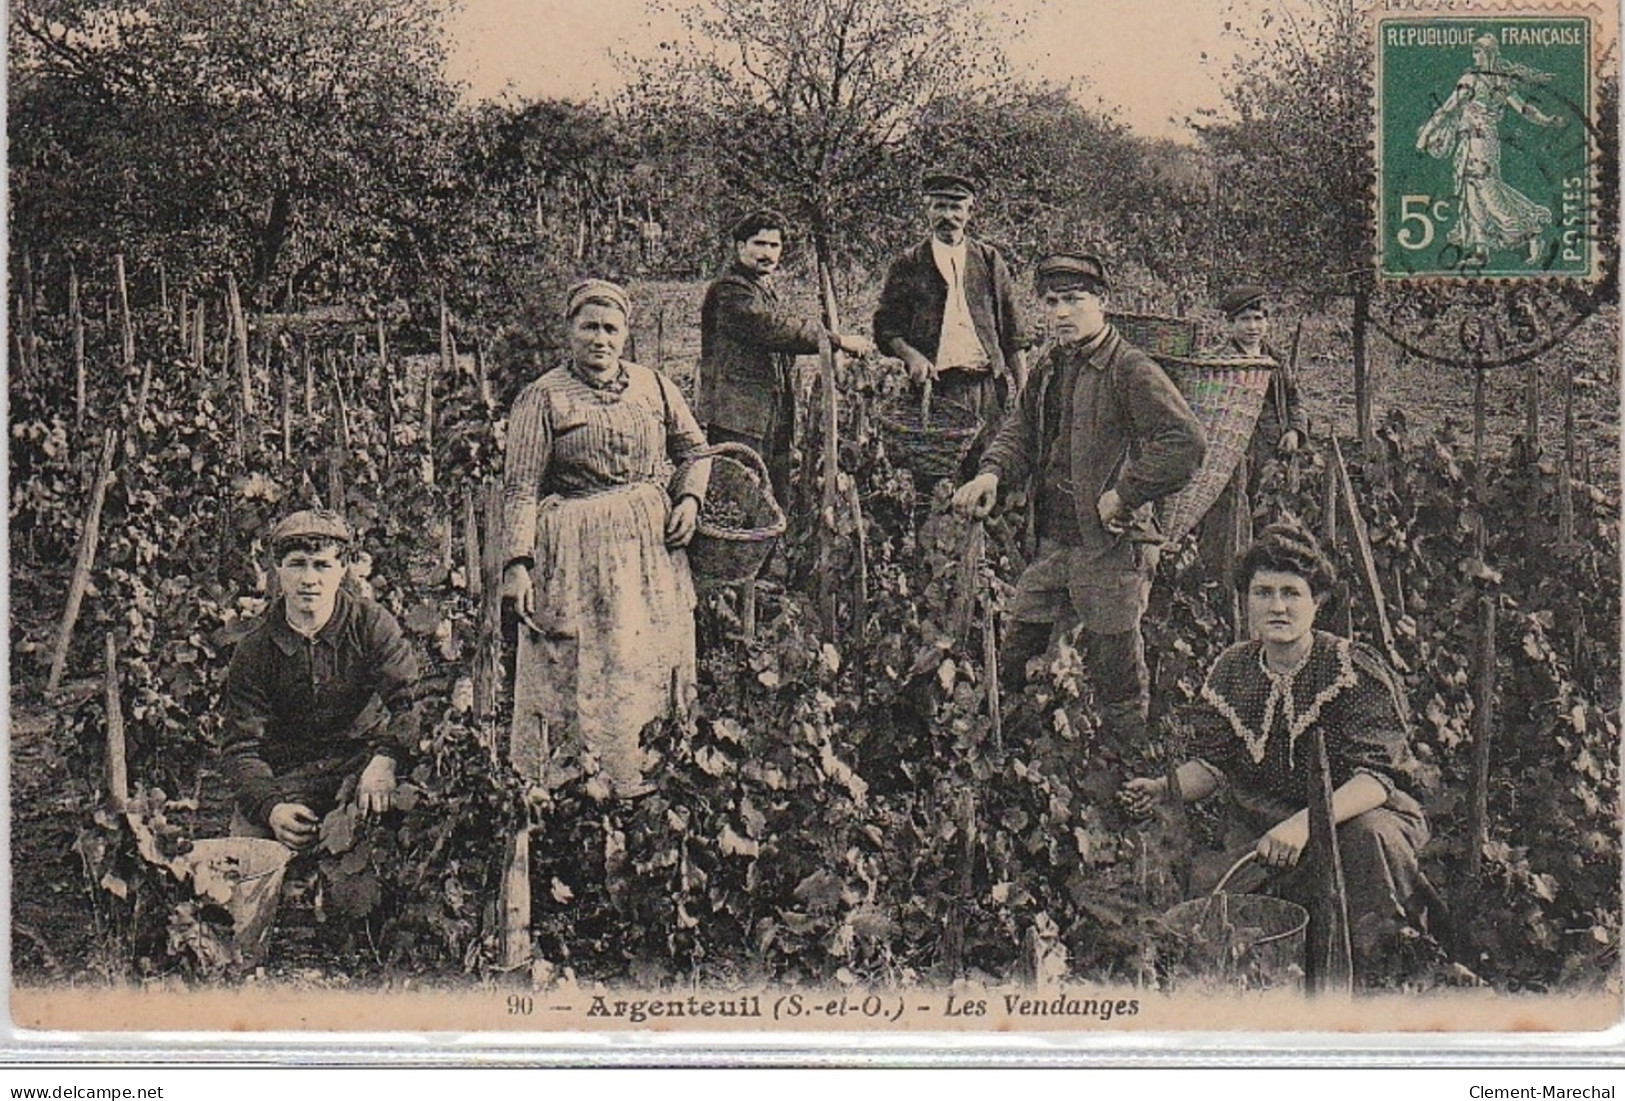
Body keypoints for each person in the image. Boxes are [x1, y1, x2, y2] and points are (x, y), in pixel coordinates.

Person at [1119, 523, 1436, 976]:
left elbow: (1376, 779)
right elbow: (1214, 765)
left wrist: (1306, 825)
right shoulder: (1232, 670)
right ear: (1246, 600)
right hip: (1265, 830)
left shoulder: (1350, 669)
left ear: (1317, 601)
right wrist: (1165, 788)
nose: (1278, 607)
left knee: (1371, 839)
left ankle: (1377, 974)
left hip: (1355, 821)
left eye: (1292, 593)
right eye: (1263, 593)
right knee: (1217, 908)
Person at [953, 252, 1206, 744]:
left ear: (1102, 303)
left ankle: (1128, 765)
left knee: (1115, 669)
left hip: (1109, 548)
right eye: (1051, 302)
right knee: (1021, 643)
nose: (1062, 312)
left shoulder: (1129, 369)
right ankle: (1009, 751)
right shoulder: (1051, 365)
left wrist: (1126, 493)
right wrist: (991, 474)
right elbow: (1021, 431)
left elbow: (1186, 443)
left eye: (1074, 300)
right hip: (1053, 541)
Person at [501, 279, 712, 800]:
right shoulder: (543, 397)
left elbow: (697, 452)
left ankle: (648, 776)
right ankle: (576, 786)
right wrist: (517, 564)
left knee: (646, 660)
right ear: (569, 331)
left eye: (610, 328)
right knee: (581, 666)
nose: (600, 339)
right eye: (589, 327)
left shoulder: (655, 387)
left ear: (626, 334)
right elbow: (522, 488)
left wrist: (689, 499)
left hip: (648, 550)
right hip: (575, 551)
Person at [221, 510, 420, 849]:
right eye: (297, 564)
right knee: (246, 855)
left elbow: (411, 701)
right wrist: (272, 808)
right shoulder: (254, 649)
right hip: (290, 778)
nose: (309, 579)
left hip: (363, 768)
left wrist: (387, 758)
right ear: (278, 569)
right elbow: (241, 747)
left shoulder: (370, 625)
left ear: (342, 569)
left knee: (405, 841)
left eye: (322, 565)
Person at [697, 209, 874, 506]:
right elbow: (771, 327)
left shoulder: (762, 288)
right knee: (739, 499)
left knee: (772, 498)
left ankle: (774, 551)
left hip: (772, 412)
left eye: (774, 245)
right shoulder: (730, 290)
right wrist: (836, 341)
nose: (767, 253)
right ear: (741, 247)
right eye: (759, 244)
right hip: (740, 416)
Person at [874, 170, 1026, 473]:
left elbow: (1012, 331)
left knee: (988, 473)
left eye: (956, 207)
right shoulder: (909, 263)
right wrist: (911, 355)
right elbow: (885, 327)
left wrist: (1023, 386)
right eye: (939, 206)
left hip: (987, 391)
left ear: (970, 211)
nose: (948, 215)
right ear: (927, 209)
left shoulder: (988, 260)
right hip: (937, 392)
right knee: (936, 481)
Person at [1416, 34, 1566, 266]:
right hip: (1468, 144)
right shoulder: (1477, 79)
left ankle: (1530, 231)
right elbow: (1449, 109)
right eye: (1473, 51)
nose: (1474, 56)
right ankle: (1481, 250)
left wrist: (1546, 120)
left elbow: (1523, 109)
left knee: (1487, 191)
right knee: (1471, 193)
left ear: (1490, 53)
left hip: (1483, 144)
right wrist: (1426, 133)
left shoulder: (1491, 82)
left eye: (1478, 51)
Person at [1197, 285, 1308, 570]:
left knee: (1269, 512)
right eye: (1245, 320)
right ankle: (1222, 574)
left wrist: (1295, 431)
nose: (1253, 327)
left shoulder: (1277, 360)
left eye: (1259, 319)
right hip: (1233, 450)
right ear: (1230, 324)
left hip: (1271, 448)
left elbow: (1294, 399)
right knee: (1229, 514)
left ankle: (1265, 569)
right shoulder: (1218, 362)